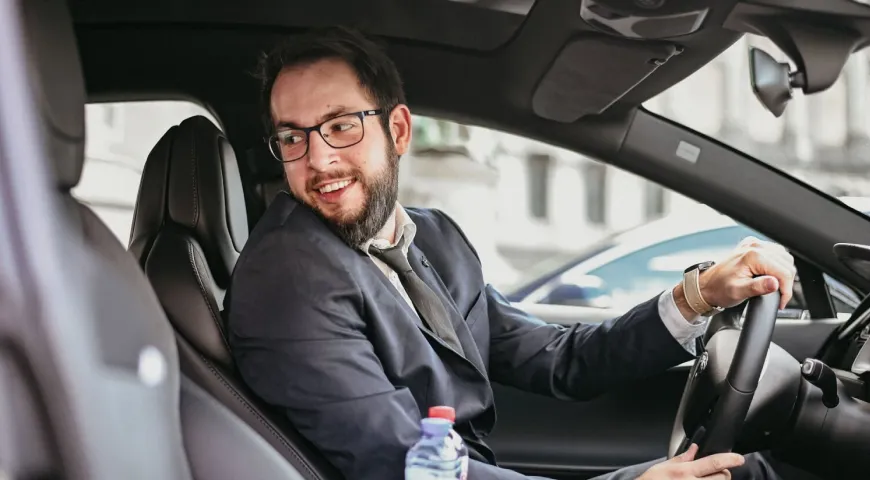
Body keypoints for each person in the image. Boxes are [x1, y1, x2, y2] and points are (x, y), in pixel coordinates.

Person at [225, 26, 795, 480]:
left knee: (748, 470)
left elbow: (556, 359)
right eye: (293, 137)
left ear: (398, 130)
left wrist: (698, 296)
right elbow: (396, 464)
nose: (318, 160)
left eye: (341, 126)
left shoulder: (432, 238)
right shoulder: (287, 275)